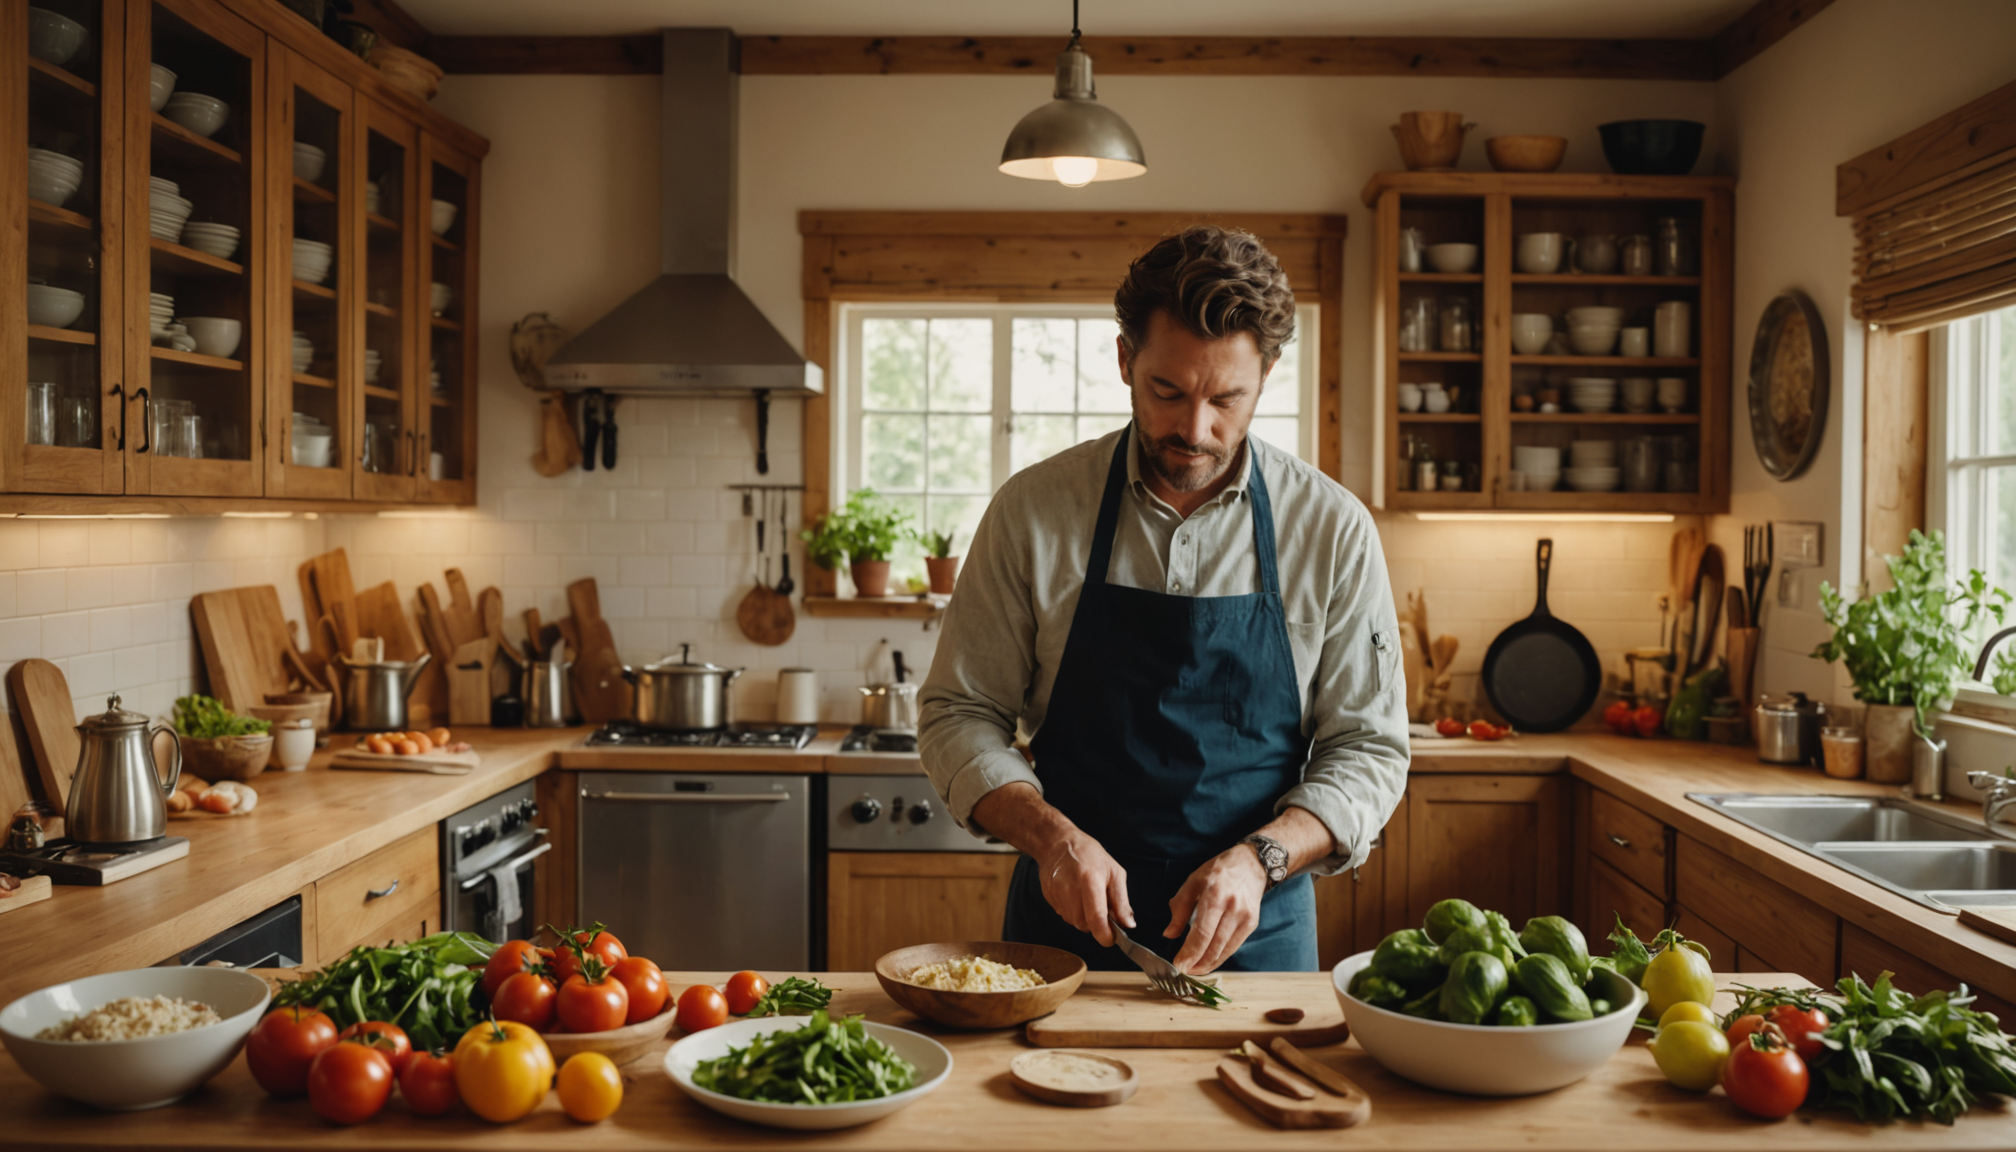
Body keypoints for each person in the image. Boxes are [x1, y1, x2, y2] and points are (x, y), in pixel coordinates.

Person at [917, 225, 1408, 974]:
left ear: (1268, 374)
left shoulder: (1332, 529)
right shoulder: (1033, 511)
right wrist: (1055, 840)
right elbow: (958, 712)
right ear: (1124, 360)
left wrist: (1261, 859)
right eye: (1168, 391)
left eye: (1226, 399)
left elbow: (1368, 747)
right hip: (1060, 940)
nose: (1194, 429)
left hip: (1258, 937)